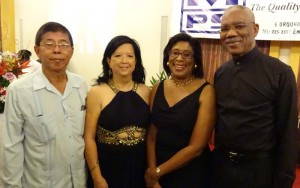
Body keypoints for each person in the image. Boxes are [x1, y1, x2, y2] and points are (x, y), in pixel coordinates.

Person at [211, 5, 298, 188]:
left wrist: (284, 181)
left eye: (239, 26)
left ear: (255, 29)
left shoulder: (280, 73)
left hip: (260, 172)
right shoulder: (221, 73)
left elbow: (288, 134)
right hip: (222, 170)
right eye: (224, 28)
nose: (231, 33)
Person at [2, 22, 88, 187]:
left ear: (72, 50)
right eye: (49, 44)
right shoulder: (19, 90)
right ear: (37, 50)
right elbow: (11, 147)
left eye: (63, 44)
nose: (57, 50)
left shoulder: (81, 86)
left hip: (79, 182)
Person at [145, 32, 216, 188]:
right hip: (157, 172)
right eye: (174, 53)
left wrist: (158, 172)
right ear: (168, 58)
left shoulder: (206, 91)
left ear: (195, 61)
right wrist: (152, 172)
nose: (179, 59)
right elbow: (151, 134)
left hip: (190, 173)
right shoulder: (158, 87)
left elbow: (196, 147)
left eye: (187, 55)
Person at [84, 35, 151, 188]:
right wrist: (97, 177)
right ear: (109, 61)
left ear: (136, 61)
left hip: (138, 168)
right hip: (107, 169)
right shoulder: (97, 92)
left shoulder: (146, 91)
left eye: (130, 56)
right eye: (118, 56)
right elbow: (89, 138)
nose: (124, 61)